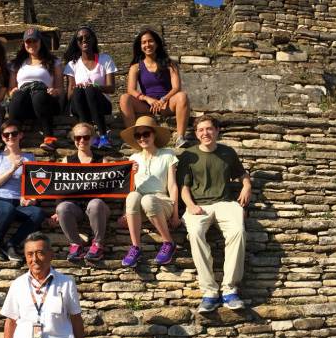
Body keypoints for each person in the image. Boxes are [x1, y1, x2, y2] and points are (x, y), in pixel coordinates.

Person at [177, 115, 251, 313]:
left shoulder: (228, 153)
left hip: (225, 203)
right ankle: (209, 292)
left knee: (238, 231)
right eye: (201, 130)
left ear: (217, 131)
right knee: (194, 233)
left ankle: (229, 290)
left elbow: (242, 174)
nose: (205, 133)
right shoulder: (188, 155)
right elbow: (183, 187)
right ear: (196, 134)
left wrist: (247, 186)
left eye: (209, 129)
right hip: (198, 205)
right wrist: (190, 205)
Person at [119, 115, 180, 267]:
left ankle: (168, 242)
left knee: (148, 200)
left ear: (154, 135)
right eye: (138, 135)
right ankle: (135, 247)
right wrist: (124, 212)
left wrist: (175, 214)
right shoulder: (133, 157)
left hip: (161, 202)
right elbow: (129, 189)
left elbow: (172, 184)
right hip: (139, 203)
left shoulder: (167, 155)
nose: (142, 138)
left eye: (146, 134)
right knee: (134, 196)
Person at [120, 28, 192, 149]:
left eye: (150, 41)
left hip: (166, 103)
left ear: (157, 43)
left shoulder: (170, 64)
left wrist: (163, 99)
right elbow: (131, 90)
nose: (147, 45)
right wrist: (147, 99)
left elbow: (176, 87)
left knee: (182, 96)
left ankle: (180, 137)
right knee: (124, 98)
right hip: (146, 104)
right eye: (144, 42)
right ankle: (133, 138)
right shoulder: (136, 67)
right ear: (140, 46)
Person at [0, 119, 44, 264]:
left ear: (20, 135)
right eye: (6, 135)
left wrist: (31, 199)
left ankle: (11, 244)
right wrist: (12, 169)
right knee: (8, 210)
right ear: (2, 137)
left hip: (19, 202)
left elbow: (33, 184)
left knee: (38, 213)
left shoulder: (29, 157)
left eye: (14, 133)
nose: (10, 137)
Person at [55, 122, 114, 263]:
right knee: (62, 208)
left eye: (86, 137)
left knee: (95, 203)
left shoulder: (102, 161)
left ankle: (98, 244)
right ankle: (76, 245)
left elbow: (114, 185)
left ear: (93, 139)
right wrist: (56, 209)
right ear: (74, 139)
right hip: (75, 207)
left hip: (98, 207)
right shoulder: (67, 161)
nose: (82, 140)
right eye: (78, 137)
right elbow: (59, 186)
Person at [8, 28, 64, 152]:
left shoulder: (53, 62)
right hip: (25, 101)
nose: (32, 44)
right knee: (18, 96)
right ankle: (13, 136)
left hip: (45, 101)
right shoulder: (17, 63)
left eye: (35, 41)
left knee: (39, 95)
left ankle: (49, 137)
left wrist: (54, 91)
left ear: (40, 42)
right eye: (28, 42)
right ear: (24, 44)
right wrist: (12, 92)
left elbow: (60, 88)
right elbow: (11, 89)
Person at [62, 26, 117, 150]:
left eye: (87, 37)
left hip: (101, 104)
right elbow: (70, 94)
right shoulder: (72, 64)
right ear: (76, 43)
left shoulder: (105, 59)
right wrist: (78, 87)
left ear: (93, 40)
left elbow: (111, 88)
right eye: (80, 38)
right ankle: (89, 134)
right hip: (80, 104)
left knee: (90, 89)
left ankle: (103, 136)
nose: (84, 40)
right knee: (79, 90)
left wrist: (95, 86)